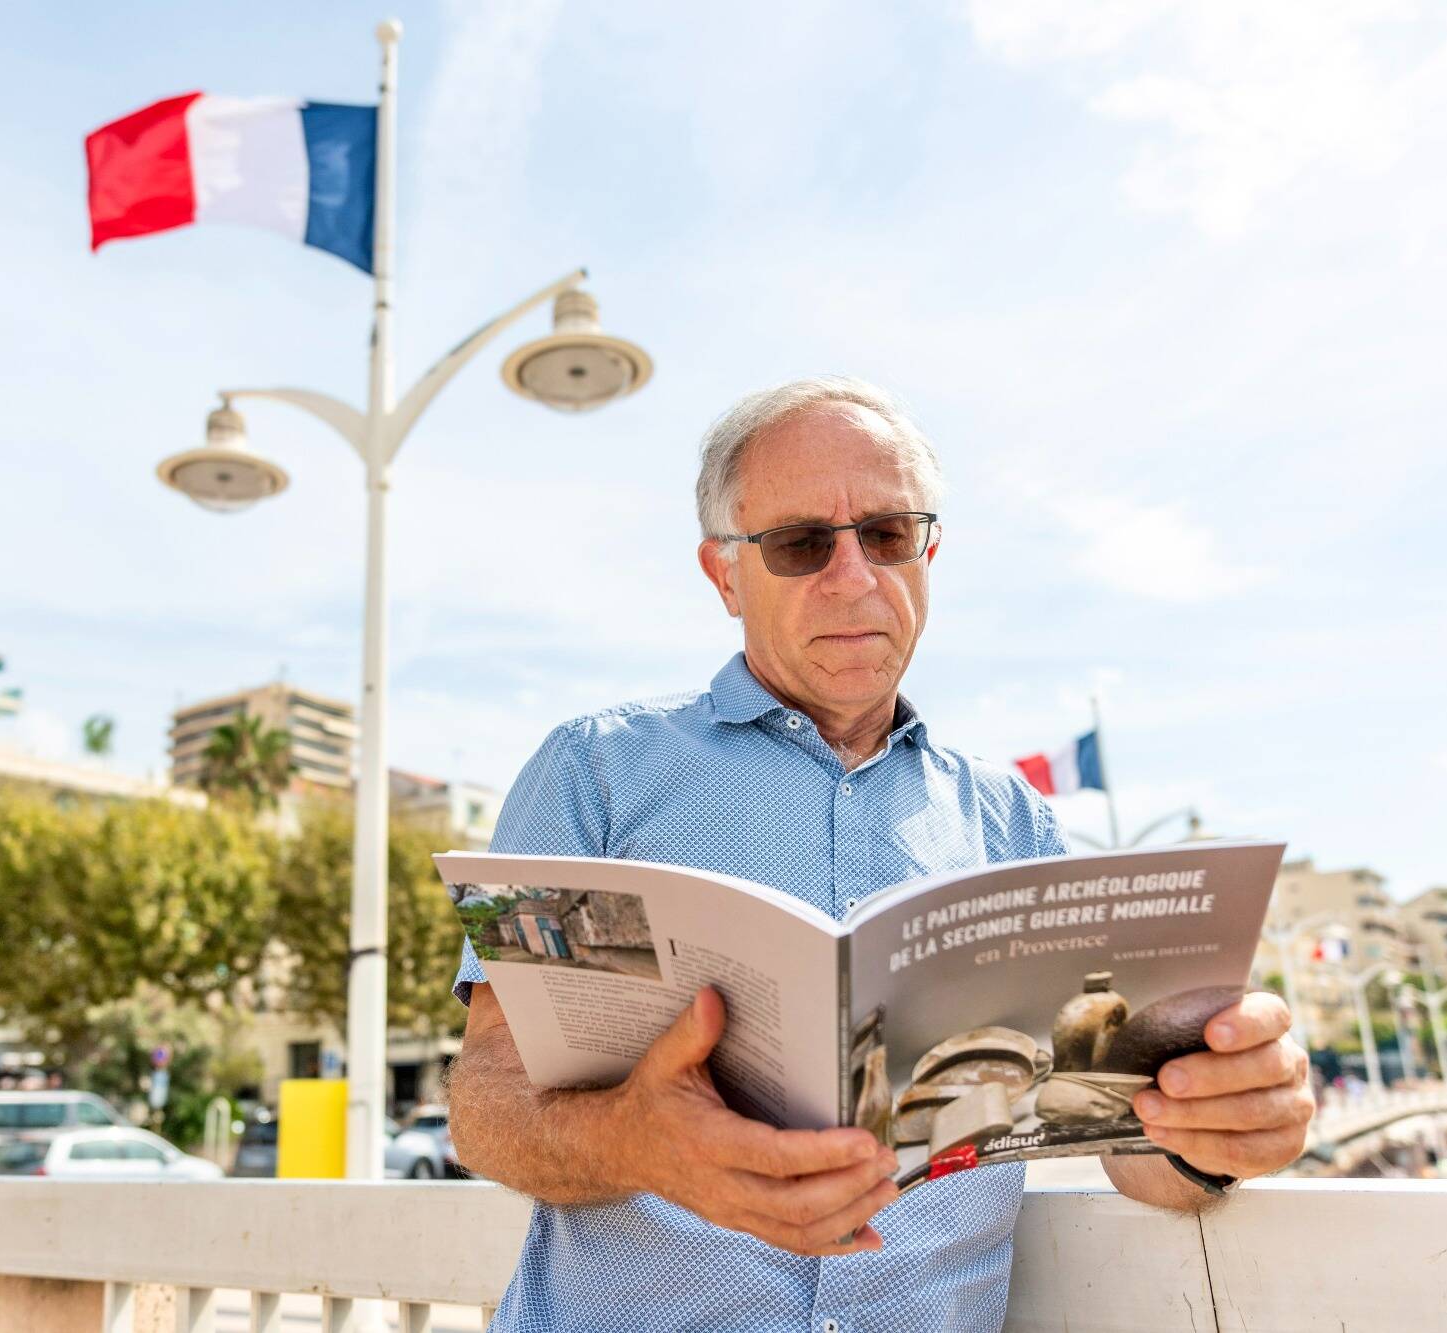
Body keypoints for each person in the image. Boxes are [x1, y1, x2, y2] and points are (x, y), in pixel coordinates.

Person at [445, 378, 1317, 1331]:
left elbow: (1117, 1134)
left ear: (929, 550)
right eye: (800, 543)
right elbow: (487, 1101)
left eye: (889, 534)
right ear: (725, 573)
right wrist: (637, 1143)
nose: (854, 576)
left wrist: (1219, 1125)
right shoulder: (597, 773)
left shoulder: (1013, 825)